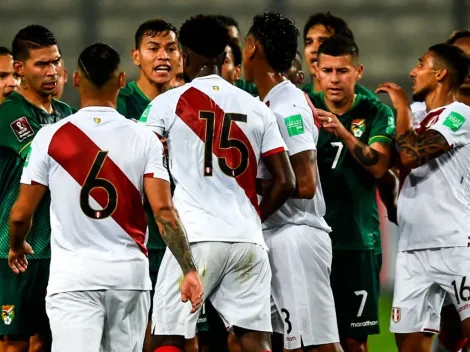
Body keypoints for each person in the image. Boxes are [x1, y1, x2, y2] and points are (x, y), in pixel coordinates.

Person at [7, 42, 203, 352]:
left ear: (74, 80)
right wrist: (189, 269)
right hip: (129, 278)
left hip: (73, 279)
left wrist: (17, 246)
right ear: (121, 79)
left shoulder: (50, 137)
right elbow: (165, 212)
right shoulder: (144, 138)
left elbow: (20, 214)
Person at [140, 14, 296, 352]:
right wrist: (254, 217)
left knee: (166, 337)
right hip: (248, 240)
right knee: (254, 339)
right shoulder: (257, 108)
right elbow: (286, 181)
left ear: (185, 53)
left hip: (195, 238)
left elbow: (138, 167)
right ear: (223, 54)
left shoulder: (166, 105)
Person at [243, 12, 342, 352]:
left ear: (253, 48)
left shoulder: (290, 107)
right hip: (278, 235)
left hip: (296, 236)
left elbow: (305, 183)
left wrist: (251, 199)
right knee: (286, 343)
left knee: (318, 345)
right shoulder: (269, 102)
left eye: (244, 45)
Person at [376, 43, 470, 352]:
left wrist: (401, 105)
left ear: (440, 73)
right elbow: (384, 160)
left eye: (421, 64)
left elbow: (410, 155)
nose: (413, 71)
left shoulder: (460, 115)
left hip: (455, 244)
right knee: (409, 344)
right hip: (412, 250)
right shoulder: (418, 116)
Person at [311, 36, 395, 352]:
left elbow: (378, 167)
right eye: (328, 70)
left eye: (343, 71)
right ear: (316, 70)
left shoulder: (375, 111)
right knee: (304, 339)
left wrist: (342, 132)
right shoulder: (302, 104)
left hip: (357, 242)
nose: (335, 79)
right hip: (310, 242)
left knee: (353, 341)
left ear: (358, 71)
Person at [0, 25, 72, 352]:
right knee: (13, 341)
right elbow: (46, 163)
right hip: (13, 248)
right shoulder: (10, 114)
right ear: (19, 69)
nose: (52, 71)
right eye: (41, 64)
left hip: (58, 249)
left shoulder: (66, 114)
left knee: (49, 338)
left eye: (55, 62)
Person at [406, 30, 470, 352]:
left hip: (459, 237)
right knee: (448, 327)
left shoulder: (460, 115)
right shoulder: (422, 114)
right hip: (430, 239)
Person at [302, 12, 376, 99]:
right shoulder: (300, 96)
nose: (314, 49)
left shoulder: (368, 103)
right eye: (309, 42)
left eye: (323, 42)